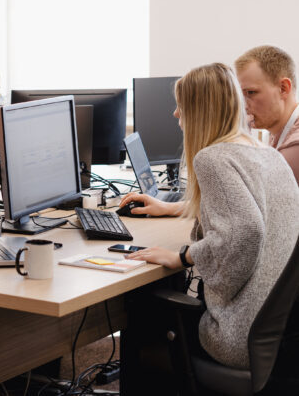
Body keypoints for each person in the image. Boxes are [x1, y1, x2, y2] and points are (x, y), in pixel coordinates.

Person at [127, 63, 299, 369]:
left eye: (181, 106)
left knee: (142, 308)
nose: (176, 115)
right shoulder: (267, 153)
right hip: (281, 337)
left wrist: (183, 257)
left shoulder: (212, 158)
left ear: (199, 110)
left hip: (239, 337)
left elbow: (245, 231)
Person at [235, 45, 299, 183]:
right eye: (241, 95)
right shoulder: (276, 133)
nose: (244, 106)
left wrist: (239, 137)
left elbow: (249, 198)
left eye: (251, 93)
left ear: (283, 88)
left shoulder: (295, 145)